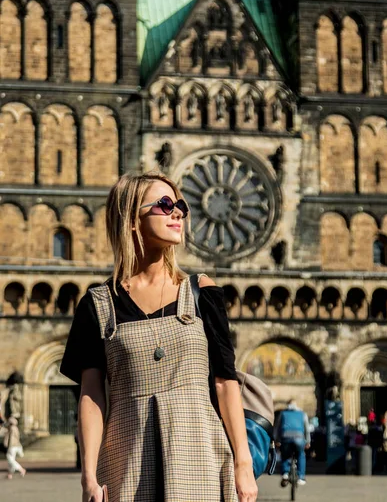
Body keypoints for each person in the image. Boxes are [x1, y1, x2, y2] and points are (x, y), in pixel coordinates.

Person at [60, 172, 258, 502]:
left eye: (180, 205)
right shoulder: (97, 304)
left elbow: (225, 382)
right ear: (131, 219)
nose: (178, 212)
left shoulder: (201, 293)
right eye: (164, 205)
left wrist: (243, 462)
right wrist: (89, 476)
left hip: (202, 457)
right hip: (127, 462)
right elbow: (92, 397)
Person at [275, 399, 310, 487]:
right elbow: (307, 428)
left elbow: (277, 428)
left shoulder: (282, 413)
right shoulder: (302, 414)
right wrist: (308, 441)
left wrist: (277, 440)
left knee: (285, 455)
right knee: (301, 455)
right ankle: (301, 477)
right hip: (299, 438)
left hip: (286, 437)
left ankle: (285, 473)